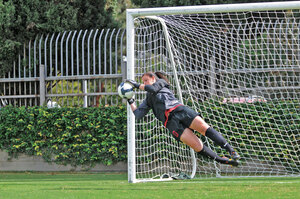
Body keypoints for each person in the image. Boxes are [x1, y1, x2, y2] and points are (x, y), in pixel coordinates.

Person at [126, 71, 240, 167]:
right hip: (171, 123)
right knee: (197, 146)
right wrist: (130, 100)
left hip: (180, 111)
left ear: (153, 78)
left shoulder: (161, 82)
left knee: (204, 128)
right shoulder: (148, 99)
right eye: (142, 82)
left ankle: (231, 151)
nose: (144, 83)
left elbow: (152, 89)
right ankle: (222, 160)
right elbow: (138, 115)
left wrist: (136, 85)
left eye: (146, 80)